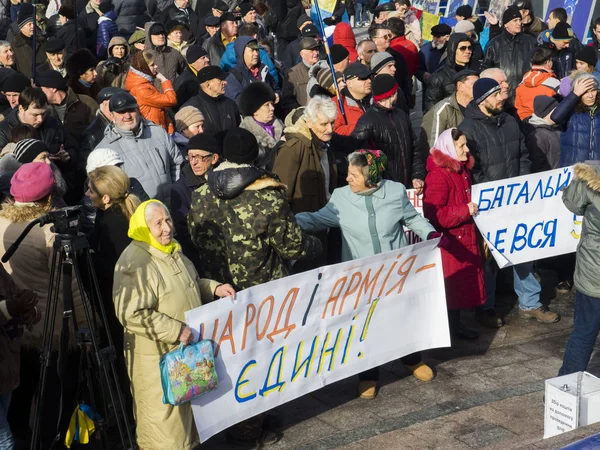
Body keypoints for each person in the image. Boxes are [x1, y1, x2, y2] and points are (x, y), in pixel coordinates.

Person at [295, 149, 437, 399]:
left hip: (395, 272)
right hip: (360, 277)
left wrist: (430, 233)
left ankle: (412, 358)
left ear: (370, 175)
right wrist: (286, 221)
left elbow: (412, 218)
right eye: (347, 174)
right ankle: (368, 374)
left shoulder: (394, 191)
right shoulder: (341, 197)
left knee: (400, 316)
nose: (347, 179)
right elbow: (316, 219)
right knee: (365, 323)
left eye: (353, 175)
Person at [113, 199, 235, 450]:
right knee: (164, 429)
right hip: (155, 360)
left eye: (167, 220)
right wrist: (175, 330)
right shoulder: (136, 261)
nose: (167, 227)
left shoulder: (170, 250)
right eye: (158, 223)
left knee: (185, 425)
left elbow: (190, 282)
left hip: (181, 355)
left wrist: (214, 288)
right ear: (143, 227)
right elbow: (130, 312)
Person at [458, 78, 560, 326]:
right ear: (483, 100)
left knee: (523, 249)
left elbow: (523, 156)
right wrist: (488, 194)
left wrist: (521, 185)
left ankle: (531, 301)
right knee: (489, 258)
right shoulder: (468, 128)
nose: (502, 98)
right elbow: (471, 168)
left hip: (516, 199)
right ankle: (486, 307)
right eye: (496, 96)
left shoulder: (510, 122)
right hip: (488, 204)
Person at [0, 162, 84, 446]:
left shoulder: (1, 222)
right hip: (48, 326)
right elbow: (70, 284)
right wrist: (86, 326)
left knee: (19, 394)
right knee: (50, 396)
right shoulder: (50, 233)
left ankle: (21, 439)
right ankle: (47, 442)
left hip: (13, 323)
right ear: (49, 197)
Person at [86, 164, 141, 421]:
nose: (87, 193)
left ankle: (132, 419)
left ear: (105, 197)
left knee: (125, 365)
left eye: (91, 190)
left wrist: (90, 260)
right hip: (125, 300)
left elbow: (116, 266)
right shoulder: (120, 212)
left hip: (119, 304)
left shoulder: (114, 223)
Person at [423, 128, 484, 341]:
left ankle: (455, 328)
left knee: (457, 290)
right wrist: (463, 211)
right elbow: (433, 214)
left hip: (463, 238)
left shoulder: (461, 171)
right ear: (449, 148)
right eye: (461, 146)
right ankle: (445, 334)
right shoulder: (439, 176)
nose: (467, 150)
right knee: (450, 289)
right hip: (450, 244)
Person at [96, 92, 185, 205]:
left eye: (131, 110)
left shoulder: (158, 133)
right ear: (112, 115)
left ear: (138, 110)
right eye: (121, 112)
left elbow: (177, 163)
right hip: (137, 214)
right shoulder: (105, 149)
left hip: (172, 206)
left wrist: (175, 192)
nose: (127, 116)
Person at [557, 163, 600, 376]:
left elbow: (572, 203)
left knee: (584, 332)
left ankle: (565, 391)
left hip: (594, 272)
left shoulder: (592, 174)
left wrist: (571, 186)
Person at [352, 74, 424, 191]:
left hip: (408, 188)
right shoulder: (367, 121)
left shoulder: (401, 116)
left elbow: (415, 149)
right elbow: (359, 159)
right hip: (382, 189)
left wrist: (417, 175)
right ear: (392, 94)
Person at [0, 266, 38, 450]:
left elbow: (13, 292)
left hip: (6, 366)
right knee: (5, 442)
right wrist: (9, 308)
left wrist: (28, 309)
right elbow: (8, 307)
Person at [170, 133, 219, 273]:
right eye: (191, 157)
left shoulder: (224, 179)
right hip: (204, 261)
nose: (194, 162)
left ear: (214, 158)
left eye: (200, 157)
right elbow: (184, 231)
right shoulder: (180, 189)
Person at [0, 87, 76, 164]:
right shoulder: (4, 130)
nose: (40, 119)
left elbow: (72, 148)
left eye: (43, 114)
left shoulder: (53, 124)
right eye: (35, 115)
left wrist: (67, 156)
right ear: (21, 109)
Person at [550, 72, 600, 167]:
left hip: (597, 170)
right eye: (585, 92)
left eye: (593, 90)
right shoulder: (570, 110)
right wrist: (574, 94)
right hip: (573, 167)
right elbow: (555, 117)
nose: (590, 95)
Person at [420, 70, 478, 151]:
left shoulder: (479, 107)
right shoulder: (442, 110)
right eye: (474, 84)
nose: (478, 87)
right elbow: (433, 145)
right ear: (460, 86)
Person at [125, 50, 177, 134]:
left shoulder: (145, 83)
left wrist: (169, 127)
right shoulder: (141, 89)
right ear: (143, 68)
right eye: (152, 65)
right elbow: (171, 100)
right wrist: (164, 80)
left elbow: (160, 109)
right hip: (154, 133)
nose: (156, 66)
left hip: (161, 130)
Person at [182, 66, 240, 134]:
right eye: (221, 80)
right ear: (208, 85)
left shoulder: (230, 105)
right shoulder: (190, 109)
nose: (225, 82)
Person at [79, 87, 125, 173]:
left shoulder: (122, 123)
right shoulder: (91, 134)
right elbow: (87, 166)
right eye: (114, 103)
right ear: (104, 104)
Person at [239, 82, 283, 170]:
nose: (272, 108)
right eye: (267, 105)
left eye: (272, 104)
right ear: (255, 111)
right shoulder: (245, 136)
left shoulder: (282, 127)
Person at [223, 37, 279, 106]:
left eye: (257, 50)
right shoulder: (233, 77)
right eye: (252, 50)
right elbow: (238, 103)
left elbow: (276, 88)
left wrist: (277, 95)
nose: (256, 54)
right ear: (242, 52)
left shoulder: (263, 70)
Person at [425, 33, 473, 113]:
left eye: (470, 48)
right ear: (453, 50)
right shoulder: (439, 77)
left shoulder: (475, 72)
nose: (467, 51)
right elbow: (431, 109)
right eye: (463, 48)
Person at [369, 23, 412, 111]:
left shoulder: (397, 57)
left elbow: (407, 79)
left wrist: (406, 99)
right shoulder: (368, 58)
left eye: (389, 35)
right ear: (375, 40)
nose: (389, 38)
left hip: (399, 104)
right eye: (385, 37)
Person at [515, 47, 560, 120]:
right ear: (548, 63)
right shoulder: (554, 83)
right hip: (544, 123)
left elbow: (517, 106)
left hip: (523, 123)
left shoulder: (522, 83)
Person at [333, 63, 371, 136]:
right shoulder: (336, 104)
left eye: (369, 77)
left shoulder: (377, 99)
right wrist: (364, 127)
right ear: (349, 83)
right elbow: (335, 131)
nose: (369, 81)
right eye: (363, 78)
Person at [283, 37, 321, 108]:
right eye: (311, 50)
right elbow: (287, 100)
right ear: (302, 54)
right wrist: (299, 114)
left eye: (317, 49)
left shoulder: (324, 68)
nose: (316, 53)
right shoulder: (292, 74)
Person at [526, 95, 560, 172]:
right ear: (545, 113)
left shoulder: (557, 128)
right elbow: (537, 166)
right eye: (555, 110)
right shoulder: (537, 136)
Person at [11, 5, 45, 78]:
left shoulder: (41, 41)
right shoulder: (14, 46)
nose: (33, 26)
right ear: (21, 27)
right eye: (29, 24)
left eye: (33, 23)